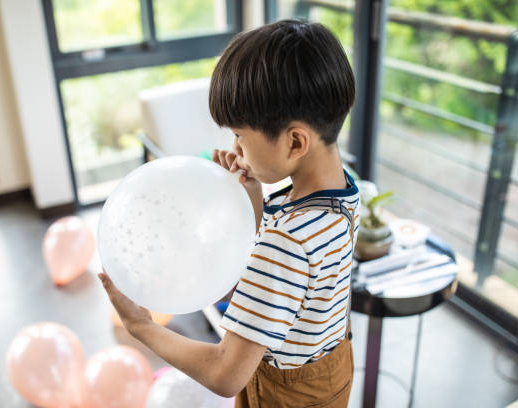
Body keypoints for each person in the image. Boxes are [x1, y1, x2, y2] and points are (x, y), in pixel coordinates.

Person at [98, 19, 360, 407]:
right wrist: (252, 196)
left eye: (240, 135)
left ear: (295, 141)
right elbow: (291, 282)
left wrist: (140, 326)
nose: (234, 148)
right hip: (330, 371)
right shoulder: (341, 193)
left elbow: (226, 373)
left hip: (282, 395)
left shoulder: (286, 242)